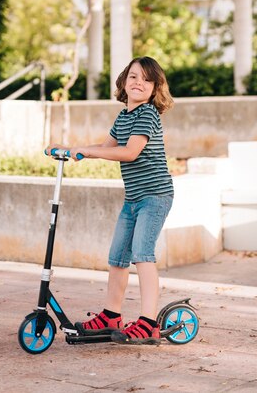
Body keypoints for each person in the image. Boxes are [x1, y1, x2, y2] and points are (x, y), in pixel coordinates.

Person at [46, 56, 174, 345]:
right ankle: (111, 315)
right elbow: (106, 148)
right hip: (133, 199)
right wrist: (70, 149)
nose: (138, 82)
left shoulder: (148, 114)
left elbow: (130, 152)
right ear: (123, 83)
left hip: (155, 197)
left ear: (154, 88)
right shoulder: (124, 116)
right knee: (117, 258)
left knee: (142, 255)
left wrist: (87, 152)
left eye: (146, 79)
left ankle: (148, 322)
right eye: (133, 77)